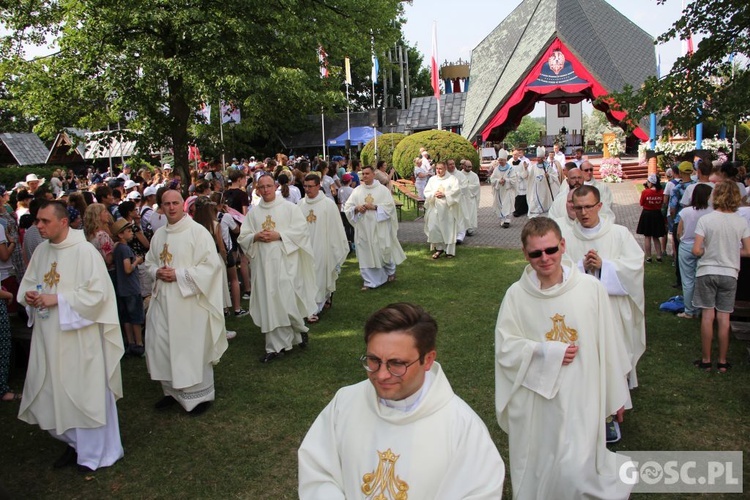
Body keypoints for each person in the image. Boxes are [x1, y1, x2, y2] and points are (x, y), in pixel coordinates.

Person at [299, 303, 505, 498]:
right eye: (373, 360)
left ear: (428, 360)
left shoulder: (462, 427)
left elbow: (479, 492)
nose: (381, 376)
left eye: (396, 363)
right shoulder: (344, 403)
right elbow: (318, 471)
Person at [495, 217, 632, 499]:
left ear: (563, 246)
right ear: (525, 254)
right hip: (537, 398)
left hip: (583, 390)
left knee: (574, 464)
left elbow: (609, 342)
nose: (545, 258)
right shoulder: (516, 296)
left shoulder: (590, 289)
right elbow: (506, 348)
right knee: (542, 458)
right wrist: (546, 351)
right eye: (536, 253)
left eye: (551, 250)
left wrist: (617, 393)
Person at [18, 200, 124, 472]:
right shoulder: (42, 251)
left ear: (63, 222)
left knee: (84, 393)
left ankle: (98, 453)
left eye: (44, 221)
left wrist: (59, 300)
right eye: (37, 221)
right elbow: (29, 284)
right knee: (56, 391)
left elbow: (99, 296)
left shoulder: (85, 252)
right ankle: (75, 444)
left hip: (79, 338)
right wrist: (30, 296)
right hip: (49, 336)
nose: (38, 226)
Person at [144, 190, 228, 415]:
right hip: (163, 302)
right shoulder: (159, 235)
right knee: (164, 345)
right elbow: (149, 262)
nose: (171, 207)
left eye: (175, 203)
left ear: (183, 204)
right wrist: (157, 271)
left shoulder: (197, 233)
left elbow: (211, 267)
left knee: (189, 348)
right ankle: (171, 391)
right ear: (160, 207)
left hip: (189, 303)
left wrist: (179, 275)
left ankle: (199, 396)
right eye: (166, 204)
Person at [560, 185, 645, 390]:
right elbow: (558, 269)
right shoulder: (566, 237)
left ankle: (617, 397)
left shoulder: (619, 234)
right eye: (578, 207)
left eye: (589, 207)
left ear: (599, 206)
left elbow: (635, 265)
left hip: (613, 307)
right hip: (581, 308)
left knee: (616, 351)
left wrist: (604, 266)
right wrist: (582, 267)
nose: (583, 213)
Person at [238, 174, 317, 362]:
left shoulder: (290, 208)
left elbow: (301, 231)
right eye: (261, 187)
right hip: (263, 267)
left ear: (275, 187)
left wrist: (279, 235)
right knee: (270, 303)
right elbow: (243, 237)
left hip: (286, 264)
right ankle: (274, 346)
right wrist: (255, 237)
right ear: (257, 189)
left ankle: (299, 330)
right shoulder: (254, 213)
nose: (265, 190)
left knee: (287, 303)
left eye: (268, 186)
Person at [691, 181, 750, 373]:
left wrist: (709, 250)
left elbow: (696, 249)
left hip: (707, 271)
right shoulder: (741, 221)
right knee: (724, 317)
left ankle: (706, 360)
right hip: (729, 272)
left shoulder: (706, 220)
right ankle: (723, 361)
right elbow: (748, 250)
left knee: (708, 316)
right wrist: (732, 251)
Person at [344, 166, 406, 290]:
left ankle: (389, 272)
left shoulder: (382, 190)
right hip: (363, 228)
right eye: (363, 174)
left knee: (382, 251)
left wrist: (376, 207)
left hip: (379, 227)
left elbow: (390, 207)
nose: (364, 176)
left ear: (373, 174)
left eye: (367, 173)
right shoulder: (357, 191)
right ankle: (369, 281)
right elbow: (348, 207)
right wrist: (356, 208)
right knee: (365, 252)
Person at [298, 174, 349, 319]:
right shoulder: (300, 204)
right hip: (305, 247)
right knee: (306, 277)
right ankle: (311, 304)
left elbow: (336, 228)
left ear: (318, 186)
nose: (307, 189)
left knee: (320, 275)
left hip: (323, 246)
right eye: (305, 186)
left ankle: (315, 308)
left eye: (310, 186)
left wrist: (333, 248)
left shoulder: (328, 204)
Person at [676, 183, 713, 320]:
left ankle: (689, 310)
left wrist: (682, 240)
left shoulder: (686, 212)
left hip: (686, 246)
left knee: (687, 280)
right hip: (704, 247)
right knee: (701, 279)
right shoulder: (711, 212)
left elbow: (679, 232)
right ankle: (701, 307)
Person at [111, 219, 145, 356]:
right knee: (135, 317)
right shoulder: (125, 249)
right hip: (131, 288)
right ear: (121, 234)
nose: (132, 234)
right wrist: (137, 261)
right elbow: (127, 269)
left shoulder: (117, 248)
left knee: (126, 317)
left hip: (122, 288)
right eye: (129, 231)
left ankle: (130, 342)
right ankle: (139, 343)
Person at [423, 162, 460, 259]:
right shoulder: (432, 180)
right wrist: (434, 193)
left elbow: (456, 191)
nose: (438, 171)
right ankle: (439, 248)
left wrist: (445, 194)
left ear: (445, 169)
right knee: (434, 228)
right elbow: (427, 191)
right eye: (437, 169)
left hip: (448, 209)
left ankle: (449, 251)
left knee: (448, 230)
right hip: (435, 208)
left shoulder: (452, 179)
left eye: (441, 169)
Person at [637, 173, 666, 262]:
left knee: (647, 236)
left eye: (648, 181)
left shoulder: (645, 192)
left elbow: (641, 203)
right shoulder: (661, 192)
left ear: (651, 183)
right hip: (657, 214)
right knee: (656, 236)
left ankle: (649, 257)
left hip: (647, 214)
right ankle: (659, 256)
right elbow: (663, 202)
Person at [525, 146, 561, 218]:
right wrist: (525, 169)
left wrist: (549, 176)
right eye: (537, 157)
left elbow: (555, 175)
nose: (538, 159)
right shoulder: (534, 167)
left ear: (543, 158)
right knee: (534, 203)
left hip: (545, 189)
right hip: (536, 189)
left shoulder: (547, 166)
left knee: (545, 202)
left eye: (540, 158)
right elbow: (530, 176)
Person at [489, 152, 517, 228]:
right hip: (499, 191)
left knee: (507, 204)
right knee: (500, 205)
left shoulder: (510, 169)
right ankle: (502, 219)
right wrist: (498, 181)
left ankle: (507, 220)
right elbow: (492, 179)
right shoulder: (496, 169)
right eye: (499, 160)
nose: (500, 162)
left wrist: (506, 180)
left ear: (505, 160)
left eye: (502, 160)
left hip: (508, 190)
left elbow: (514, 179)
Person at [445, 159, 470, 243]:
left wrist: (455, 191)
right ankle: (452, 234)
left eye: (453, 164)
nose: (452, 166)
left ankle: (460, 235)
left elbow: (465, 186)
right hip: (449, 201)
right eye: (450, 164)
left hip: (459, 200)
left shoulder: (460, 175)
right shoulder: (445, 175)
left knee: (460, 217)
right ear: (447, 166)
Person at [461, 160, 480, 235]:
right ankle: (463, 229)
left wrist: (467, 187)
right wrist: (464, 188)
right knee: (463, 214)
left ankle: (470, 228)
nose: (469, 168)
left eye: (470, 167)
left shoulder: (474, 175)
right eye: (467, 166)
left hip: (471, 198)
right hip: (463, 198)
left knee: (471, 213)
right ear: (463, 166)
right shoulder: (460, 174)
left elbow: (476, 186)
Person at [511, 147, 530, 217]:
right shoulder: (510, 162)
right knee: (515, 198)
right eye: (513, 154)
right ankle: (515, 210)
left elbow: (525, 174)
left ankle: (522, 211)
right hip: (513, 183)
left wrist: (524, 170)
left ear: (518, 155)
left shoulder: (522, 163)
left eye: (516, 154)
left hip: (521, 183)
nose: (514, 156)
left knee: (521, 197)